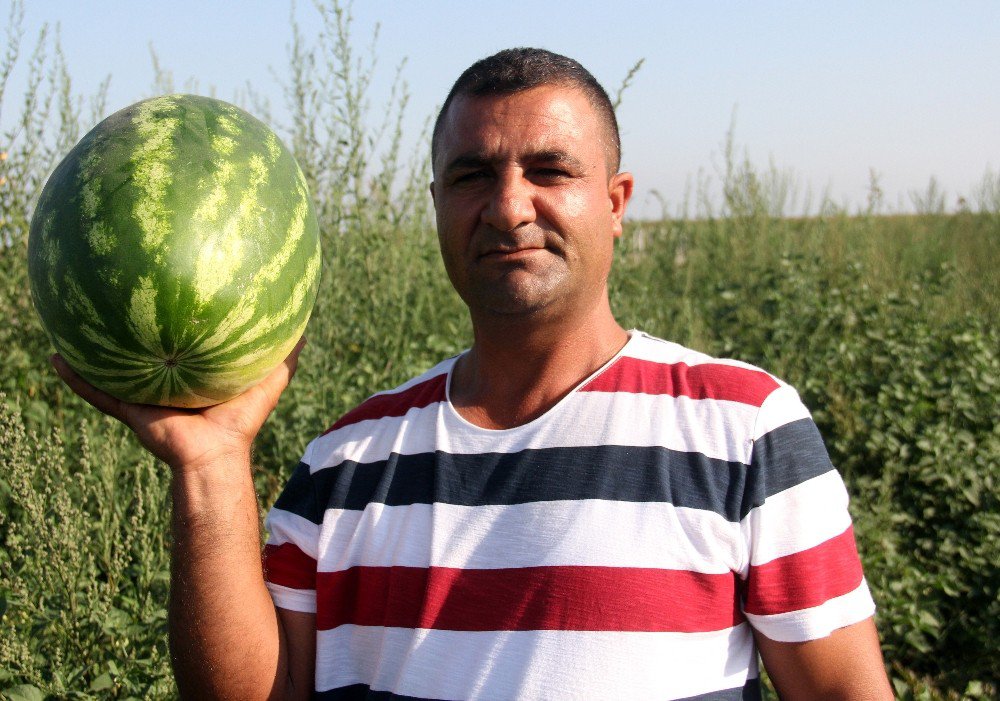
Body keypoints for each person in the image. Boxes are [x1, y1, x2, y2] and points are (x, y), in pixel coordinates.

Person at [55, 48, 894, 700]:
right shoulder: (345, 461)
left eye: (550, 170)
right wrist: (209, 467)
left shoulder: (741, 426)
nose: (508, 204)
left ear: (617, 201)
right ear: (435, 207)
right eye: (472, 175)